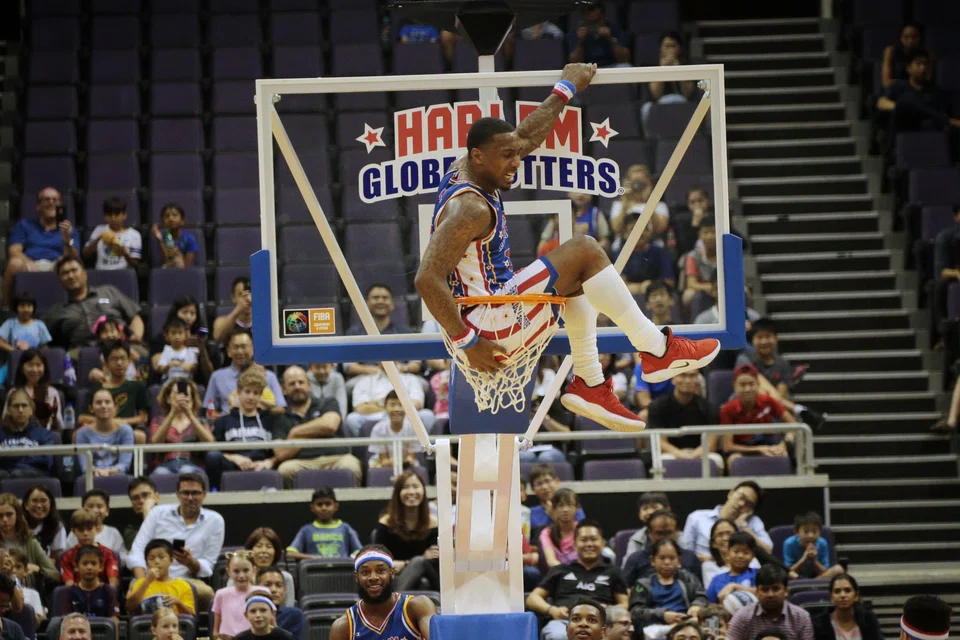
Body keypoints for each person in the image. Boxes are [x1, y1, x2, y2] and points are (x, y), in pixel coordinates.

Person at [414, 62, 720, 435]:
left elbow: (524, 137)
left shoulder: (467, 167)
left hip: (491, 307)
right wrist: (467, 341)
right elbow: (427, 278)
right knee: (586, 250)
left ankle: (590, 382)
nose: (517, 162)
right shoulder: (472, 208)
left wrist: (565, 88)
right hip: (485, 320)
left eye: (515, 154)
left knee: (583, 277)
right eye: (507, 156)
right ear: (479, 156)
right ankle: (656, 348)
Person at [128, 473, 224, 609]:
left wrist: (191, 562)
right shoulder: (158, 513)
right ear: (178, 495)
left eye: (195, 493)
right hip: (152, 578)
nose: (190, 498)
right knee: (133, 591)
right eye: (185, 493)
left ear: (204, 495)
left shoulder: (215, 520)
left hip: (186, 582)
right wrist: (143, 581)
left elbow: (208, 566)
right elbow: (136, 552)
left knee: (207, 593)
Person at [526, 520, 628, 640]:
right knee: (558, 636)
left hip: (600, 625)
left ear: (603, 543)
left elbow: (624, 603)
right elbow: (532, 598)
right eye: (584, 540)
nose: (589, 544)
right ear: (574, 544)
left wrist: (607, 610)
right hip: (565, 623)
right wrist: (553, 610)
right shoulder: (560, 570)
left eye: (594, 539)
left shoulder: (614, 572)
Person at [206, 366, 292, 489]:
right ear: (239, 393)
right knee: (212, 457)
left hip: (261, 466)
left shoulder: (270, 420)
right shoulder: (223, 421)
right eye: (247, 392)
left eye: (256, 393)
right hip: (232, 465)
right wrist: (234, 458)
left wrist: (269, 462)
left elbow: (280, 451)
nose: (251, 397)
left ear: (261, 396)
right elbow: (215, 450)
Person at [276, 366, 361, 488]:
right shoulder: (281, 417)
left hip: (337, 458)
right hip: (302, 462)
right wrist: (316, 430)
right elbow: (281, 453)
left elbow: (330, 425)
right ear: (284, 389)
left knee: (351, 467)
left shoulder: (328, 402)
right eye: (292, 384)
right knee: (285, 470)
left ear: (308, 385)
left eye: (301, 382)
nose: (297, 386)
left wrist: (295, 433)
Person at [328, 545, 436, 640]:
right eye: (365, 572)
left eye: (380, 571)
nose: (373, 577)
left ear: (391, 573)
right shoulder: (343, 626)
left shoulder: (417, 606)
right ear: (357, 577)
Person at [44, 256, 144, 355]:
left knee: (143, 356)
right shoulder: (57, 312)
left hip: (120, 346)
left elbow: (135, 316)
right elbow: (42, 339)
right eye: (65, 273)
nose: (70, 276)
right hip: (82, 354)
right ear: (60, 280)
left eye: (74, 270)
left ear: (85, 274)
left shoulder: (108, 291)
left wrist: (136, 335)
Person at [3, 187, 80, 304]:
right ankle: (5, 307)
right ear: (38, 206)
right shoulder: (24, 225)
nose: (51, 202)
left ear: (60, 205)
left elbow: (74, 257)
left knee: (69, 264)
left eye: (55, 200)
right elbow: (14, 250)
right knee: (14, 263)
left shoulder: (69, 229)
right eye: (46, 199)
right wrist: (29, 262)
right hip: (30, 263)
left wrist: (67, 239)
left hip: (56, 264)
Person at [371, 471, 440, 592]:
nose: (412, 492)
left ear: (423, 491)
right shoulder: (386, 522)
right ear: (398, 493)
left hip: (428, 577)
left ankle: (395, 603)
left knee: (420, 564)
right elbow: (378, 559)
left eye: (416, 487)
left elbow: (433, 560)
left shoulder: (433, 523)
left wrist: (405, 563)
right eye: (406, 487)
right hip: (394, 576)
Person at [720, 364, 796, 464]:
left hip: (769, 446)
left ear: (758, 384)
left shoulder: (768, 401)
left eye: (751, 384)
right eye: (742, 385)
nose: (747, 389)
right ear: (735, 386)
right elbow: (727, 446)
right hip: (742, 450)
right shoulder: (727, 410)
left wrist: (783, 444)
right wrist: (758, 449)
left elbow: (794, 425)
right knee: (734, 460)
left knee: (783, 455)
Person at [647, 371, 724, 470]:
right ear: (673, 378)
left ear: (698, 379)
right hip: (671, 453)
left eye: (692, 376)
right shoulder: (657, 406)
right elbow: (660, 442)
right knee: (661, 462)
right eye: (682, 375)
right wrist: (680, 454)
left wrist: (693, 455)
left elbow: (711, 444)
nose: (688, 380)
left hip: (700, 452)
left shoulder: (709, 408)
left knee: (716, 460)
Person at [680, 481, 773, 559]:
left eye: (748, 504)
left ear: (751, 510)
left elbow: (768, 551)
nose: (741, 504)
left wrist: (744, 528)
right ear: (731, 493)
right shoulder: (697, 517)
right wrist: (712, 561)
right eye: (741, 497)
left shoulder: (753, 522)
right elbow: (685, 554)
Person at [78, 341, 149, 443]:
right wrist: (107, 422)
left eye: (123, 358)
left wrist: (121, 422)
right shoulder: (96, 388)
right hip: (99, 431)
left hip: (124, 432)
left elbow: (143, 417)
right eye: (114, 359)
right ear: (106, 363)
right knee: (78, 434)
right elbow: (82, 417)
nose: (119, 363)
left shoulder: (136, 386)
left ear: (129, 361)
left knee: (139, 435)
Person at [344, 284, 420, 378]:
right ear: (366, 304)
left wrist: (401, 368)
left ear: (392, 304)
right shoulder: (354, 333)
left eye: (385, 298)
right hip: (365, 378)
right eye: (375, 298)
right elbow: (348, 366)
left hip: (400, 376)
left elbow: (416, 363)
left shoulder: (405, 332)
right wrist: (378, 371)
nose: (380, 301)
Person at [203, 332, 286, 416]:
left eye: (244, 346)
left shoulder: (269, 376)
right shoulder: (217, 377)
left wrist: (260, 408)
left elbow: (280, 408)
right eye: (235, 347)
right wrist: (228, 418)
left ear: (253, 348)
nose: (240, 351)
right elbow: (210, 412)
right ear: (228, 351)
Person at [629, 539, 706, 628]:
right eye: (662, 558)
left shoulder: (688, 578)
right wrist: (663, 615)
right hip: (655, 628)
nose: (667, 562)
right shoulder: (642, 583)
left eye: (672, 558)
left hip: (686, 624)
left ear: (679, 560)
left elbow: (701, 596)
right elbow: (635, 612)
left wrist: (696, 605)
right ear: (652, 560)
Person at [727, 565, 813, 640]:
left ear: (786, 591)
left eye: (776, 589)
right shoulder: (742, 616)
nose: (770, 595)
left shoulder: (801, 617)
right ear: (757, 592)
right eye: (765, 590)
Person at [149, 377, 214, 477]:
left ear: (192, 400)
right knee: (160, 473)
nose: (181, 397)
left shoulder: (200, 421)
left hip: (192, 464)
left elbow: (210, 442)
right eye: (176, 394)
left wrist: (190, 414)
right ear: (168, 399)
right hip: (166, 464)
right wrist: (173, 412)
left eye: (185, 394)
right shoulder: (159, 421)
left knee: (185, 470)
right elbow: (155, 444)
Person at [622, 509, 701, 587]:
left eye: (669, 533)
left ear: (677, 532)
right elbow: (625, 590)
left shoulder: (690, 558)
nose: (664, 538)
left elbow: (699, 590)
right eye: (659, 534)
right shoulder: (636, 559)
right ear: (649, 533)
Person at [148, 295, 217, 383]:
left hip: (194, 384)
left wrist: (202, 351)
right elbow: (156, 366)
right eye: (184, 312)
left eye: (192, 314)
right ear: (175, 313)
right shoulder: (162, 338)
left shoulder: (201, 340)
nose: (188, 317)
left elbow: (210, 375)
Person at [0, 496, 61, 591]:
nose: (4, 520)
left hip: (28, 594)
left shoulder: (30, 542)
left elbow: (55, 575)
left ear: (17, 515)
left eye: (9, 514)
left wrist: (37, 569)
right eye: (0, 516)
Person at [286, 487, 363, 561]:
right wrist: (312, 558)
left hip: (341, 570)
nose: (324, 508)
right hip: (316, 571)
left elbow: (360, 551)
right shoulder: (306, 530)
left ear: (336, 506)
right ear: (312, 508)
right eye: (319, 504)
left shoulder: (345, 528)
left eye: (328, 504)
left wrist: (347, 559)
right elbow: (290, 554)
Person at [125, 539, 195, 615]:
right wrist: (147, 581)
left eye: (161, 557)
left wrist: (178, 603)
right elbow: (129, 607)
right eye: (151, 559)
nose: (157, 561)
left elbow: (191, 616)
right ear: (147, 564)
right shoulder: (140, 583)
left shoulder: (183, 586)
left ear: (171, 560)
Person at [74, 389, 134, 476]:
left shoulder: (126, 431)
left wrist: (108, 471)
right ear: (91, 408)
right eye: (98, 402)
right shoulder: (82, 434)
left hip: (118, 477)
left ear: (115, 408)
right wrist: (97, 472)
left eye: (107, 402)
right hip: (92, 476)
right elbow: (85, 466)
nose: (103, 406)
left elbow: (124, 465)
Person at [229, 529, 295, 607]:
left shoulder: (286, 578)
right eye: (259, 546)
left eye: (269, 546)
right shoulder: (238, 578)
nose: (264, 551)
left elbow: (289, 609)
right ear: (250, 551)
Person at [213, 551, 267, 640]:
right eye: (236, 571)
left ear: (254, 570)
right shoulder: (221, 594)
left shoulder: (262, 592)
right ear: (229, 571)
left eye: (246, 570)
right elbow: (216, 629)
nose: (241, 575)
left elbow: (271, 624)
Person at [0, 390, 55, 479]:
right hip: (4, 476)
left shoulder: (44, 434)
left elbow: (47, 462)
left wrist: (11, 454)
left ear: (31, 410)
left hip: (34, 477)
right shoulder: (1, 434)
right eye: (16, 406)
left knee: (17, 473)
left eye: (24, 405)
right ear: (9, 410)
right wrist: (29, 455)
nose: (20, 410)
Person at [811, 573, 884, 640]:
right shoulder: (820, 624)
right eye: (837, 591)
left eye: (847, 590)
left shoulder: (868, 619)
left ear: (856, 596)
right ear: (831, 598)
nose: (842, 595)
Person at [4, 349, 62, 431]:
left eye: (38, 365)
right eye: (30, 365)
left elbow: (59, 423)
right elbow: (6, 420)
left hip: (45, 437)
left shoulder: (52, 392)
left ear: (44, 367)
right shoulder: (13, 392)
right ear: (22, 368)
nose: (35, 370)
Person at [60, 509, 119, 588]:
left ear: (96, 529)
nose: (85, 533)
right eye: (81, 530)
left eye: (89, 529)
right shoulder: (67, 557)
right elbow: (69, 584)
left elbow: (113, 583)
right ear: (73, 531)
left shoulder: (108, 554)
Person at [64, 491, 126, 565]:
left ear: (107, 511)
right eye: (90, 506)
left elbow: (122, 559)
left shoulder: (113, 533)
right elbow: (66, 558)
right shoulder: (74, 533)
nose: (95, 510)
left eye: (99, 506)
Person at [699, 519, 760, 594]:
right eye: (720, 535)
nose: (726, 538)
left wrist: (735, 587)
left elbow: (763, 592)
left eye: (729, 534)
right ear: (713, 543)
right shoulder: (712, 572)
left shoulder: (754, 567)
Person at [81, 196, 141, 270]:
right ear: (104, 216)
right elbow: (85, 254)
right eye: (109, 215)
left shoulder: (134, 235)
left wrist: (124, 253)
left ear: (124, 215)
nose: (113, 218)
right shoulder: (99, 230)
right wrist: (99, 238)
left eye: (116, 214)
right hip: (100, 273)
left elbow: (135, 264)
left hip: (122, 273)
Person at [368, 391, 422, 469]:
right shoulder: (378, 429)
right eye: (392, 405)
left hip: (406, 463)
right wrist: (393, 462)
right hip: (383, 464)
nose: (397, 409)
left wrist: (403, 462)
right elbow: (384, 460)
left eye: (400, 405)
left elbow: (411, 457)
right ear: (385, 407)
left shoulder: (414, 428)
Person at [65, 545, 120, 622]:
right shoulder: (70, 592)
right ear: (76, 567)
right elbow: (65, 621)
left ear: (101, 567)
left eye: (93, 563)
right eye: (85, 564)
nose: (89, 567)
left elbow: (114, 620)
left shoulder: (108, 590)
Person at [783, 512, 842, 580]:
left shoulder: (822, 543)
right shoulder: (789, 543)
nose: (811, 535)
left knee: (838, 569)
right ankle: (808, 584)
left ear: (819, 532)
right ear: (797, 532)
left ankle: (811, 585)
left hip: (819, 578)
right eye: (806, 532)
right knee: (785, 573)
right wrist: (803, 559)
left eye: (814, 532)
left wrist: (814, 560)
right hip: (797, 578)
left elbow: (825, 571)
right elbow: (788, 571)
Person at [566, 2, 629, 67]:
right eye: (584, 10)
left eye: (591, 9)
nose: (588, 13)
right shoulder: (577, 31)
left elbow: (624, 58)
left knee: (625, 66)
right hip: (587, 67)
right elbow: (574, 61)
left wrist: (610, 38)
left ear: (600, 11)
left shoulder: (613, 28)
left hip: (611, 66)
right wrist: (580, 42)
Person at [528, 463, 586, 531]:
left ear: (557, 481)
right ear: (532, 489)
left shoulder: (574, 508)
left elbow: (580, 533)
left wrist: (555, 517)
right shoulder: (529, 513)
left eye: (547, 481)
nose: (544, 487)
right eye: (539, 484)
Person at [705, 532, 757, 606]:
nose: (740, 556)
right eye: (736, 551)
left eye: (746, 553)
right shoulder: (717, 579)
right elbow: (709, 604)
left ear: (753, 556)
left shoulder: (758, 574)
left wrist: (734, 586)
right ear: (728, 553)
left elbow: (762, 593)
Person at [256, 566, 303, 640]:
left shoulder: (294, 615)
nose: (273, 590)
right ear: (256, 588)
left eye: (278, 585)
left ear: (284, 590)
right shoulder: (247, 614)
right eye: (268, 585)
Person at [22, 486, 66, 563]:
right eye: (34, 501)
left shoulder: (57, 527)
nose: (39, 505)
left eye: (44, 501)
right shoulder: (17, 524)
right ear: (26, 505)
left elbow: (56, 560)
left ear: (50, 504)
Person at [623, 492, 671, 561]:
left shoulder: (678, 535)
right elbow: (628, 565)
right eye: (645, 509)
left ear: (667, 509)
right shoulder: (636, 539)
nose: (650, 512)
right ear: (639, 514)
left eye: (654, 507)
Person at [539, 488, 580, 568]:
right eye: (561, 506)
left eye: (570, 505)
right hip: (558, 575)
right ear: (554, 509)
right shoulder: (547, 533)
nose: (565, 510)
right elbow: (551, 561)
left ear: (577, 508)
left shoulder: (582, 530)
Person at [151, 202, 199, 269]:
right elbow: (165, 261)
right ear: (163, 222)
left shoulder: (190, 239)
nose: (170, 219)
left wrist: (178, 255)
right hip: (167, 273)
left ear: (182, 221)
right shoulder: (161, 237)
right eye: (167, 216)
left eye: (175, 215)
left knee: (177, 260)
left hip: (186, 274)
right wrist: (160, 241)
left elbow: (186, 266)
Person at [881, 23, 929, 89]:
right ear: (901, 38)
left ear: (919, 38)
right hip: (894, 91)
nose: (910, 41)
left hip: (916, 92)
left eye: (914, 37)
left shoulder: (925, 54)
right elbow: (886, 82)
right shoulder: (891, 51)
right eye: (906, 37)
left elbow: (927, 80)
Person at [122, 477, 159, 550]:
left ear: (157, 497)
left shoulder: (172, 519)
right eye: (135, 498)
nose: (141, 501)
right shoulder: (130, 531)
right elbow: (152, 549)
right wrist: (147, 511)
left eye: (145, 495)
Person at [213, 277, 253, 345]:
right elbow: (218, 338)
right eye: (241, 294)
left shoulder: (263, 321)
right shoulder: (221, 321)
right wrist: (237, 311)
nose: (247, 299)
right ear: (233, 297)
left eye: (250, 294)